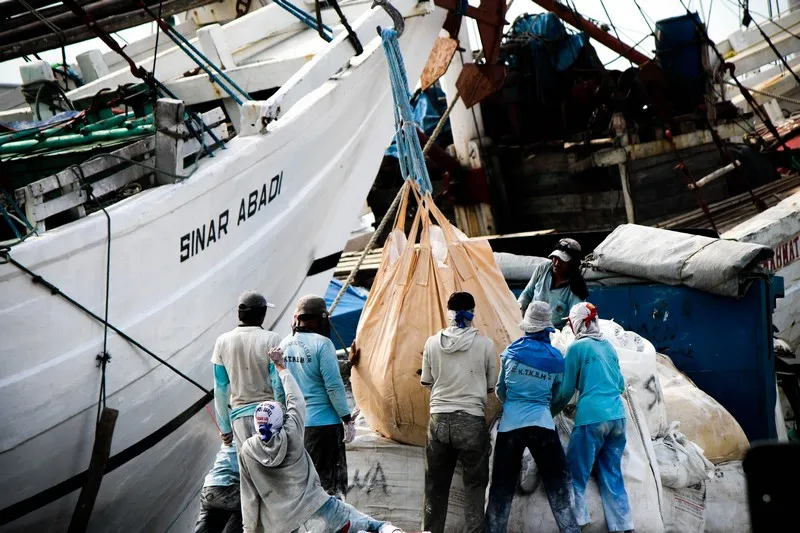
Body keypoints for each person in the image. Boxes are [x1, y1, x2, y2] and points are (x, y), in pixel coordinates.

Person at [238, 347, 402, 533]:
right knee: (374, 525)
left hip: (287, 527)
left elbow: (249, 498)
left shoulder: (247, 450)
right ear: (281, 421)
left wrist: (249, 531)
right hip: (323, 510)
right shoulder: (292, 431)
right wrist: (280, 367)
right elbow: (296, 400)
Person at [486, 301, 580, 533]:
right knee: (558, 484)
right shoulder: (557, 359)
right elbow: (560, 394)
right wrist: (544, 409)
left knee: (501, 487)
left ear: (527, 327)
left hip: (510, 426)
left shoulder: (511, 353)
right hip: (543, 425)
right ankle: (570, 529)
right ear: (546, 328)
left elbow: (501, 390)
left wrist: (515, 406)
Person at [552, 302, 634, 533]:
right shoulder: (608, 346)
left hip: (592, 418)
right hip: (618, 417)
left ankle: (579, 521)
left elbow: (567, 391)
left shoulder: (576, 349)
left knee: (575, 472)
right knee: (612, 473)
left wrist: (548, 413)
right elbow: (619, 384)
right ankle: (624, 526)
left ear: (576, 323)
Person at [420, 291, 498, 533]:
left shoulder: (431, 342)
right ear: (472, 313)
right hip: (471, 422)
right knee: (474, 486)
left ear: (449, 313)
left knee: (435, 485)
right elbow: (490, 385)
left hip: (439, 421)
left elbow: (426, 381)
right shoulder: (485, 345)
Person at [277, 295, 354, 498]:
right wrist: (347, 419)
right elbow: (334, 386)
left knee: (302, 487)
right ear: (321, 318)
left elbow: (279, 389)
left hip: (295, 426)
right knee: (328, 488)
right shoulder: (323, 344)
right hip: (324, 426)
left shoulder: (283, 345)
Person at [212, 291, 282, 451]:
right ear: (262, 314)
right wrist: (282, 417)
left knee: (247, 470)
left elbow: (220, 389)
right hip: (269, 416)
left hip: (239, 418)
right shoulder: (272, 339)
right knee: (272, 469)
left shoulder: (222, 341)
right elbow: (278, 384)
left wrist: (224, 428)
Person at [517, 238, 588, 328]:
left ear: (572, 263)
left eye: (562, 260)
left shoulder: (576, 288)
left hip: (553, 333)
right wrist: (519, 307)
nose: (557, 263)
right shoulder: (543, 268)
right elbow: (527, 293)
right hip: (529, 326)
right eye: (555, 258)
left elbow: (574, 319)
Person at [195, 443, 243, 533]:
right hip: (226, 487)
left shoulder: (228, 440)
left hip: (208, 488)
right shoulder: (247, 440)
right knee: (251, 504)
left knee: (207, 525)